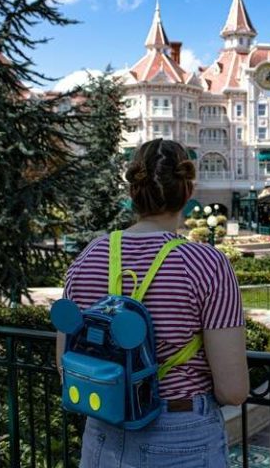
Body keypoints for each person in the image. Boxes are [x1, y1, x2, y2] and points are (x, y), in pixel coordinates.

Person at [56, 139, 248, 468]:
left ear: (133, 191)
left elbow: (64, 362)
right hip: (181, 437)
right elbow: (233, 390)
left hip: (102, 431)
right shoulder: (207, 264)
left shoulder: (89, 257)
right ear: (188, 191)